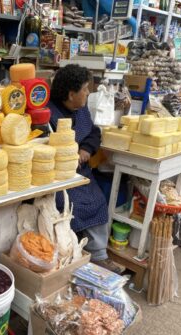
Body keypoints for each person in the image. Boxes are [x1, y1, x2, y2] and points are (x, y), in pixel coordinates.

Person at [47, 64, 122, 273]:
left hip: (82, 173)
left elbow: (94, 133)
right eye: (85, 89)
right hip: (58, 179)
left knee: (98, 199)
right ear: (71, 94)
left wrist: (86, 149)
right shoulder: (49, 113)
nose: (89, 93)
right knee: (71, 205)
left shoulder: (81, 110)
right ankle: (73, 252)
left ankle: (98, 254)